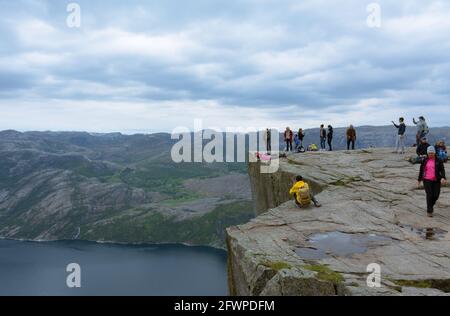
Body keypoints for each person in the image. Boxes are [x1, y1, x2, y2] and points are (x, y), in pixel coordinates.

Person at [418, 146, 446, 217]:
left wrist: (443, 177)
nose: (430, 154)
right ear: (427, 153)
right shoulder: (425, 160)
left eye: (432, 153)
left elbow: (442, 170)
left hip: (436, 180)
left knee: (436, 195)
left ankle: (430, 205)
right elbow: (421, 170)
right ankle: (429, 211)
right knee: (429, 195)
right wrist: (419, 179)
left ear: (434, 153)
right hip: (427, 180)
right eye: (429, 153)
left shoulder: (438, 160)